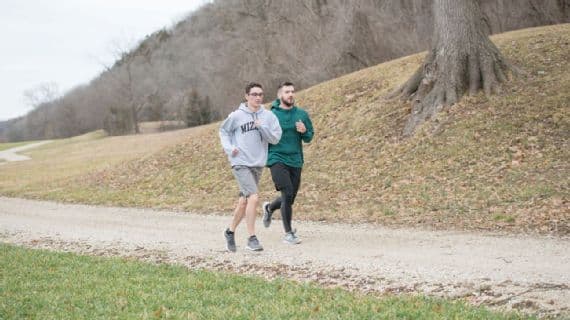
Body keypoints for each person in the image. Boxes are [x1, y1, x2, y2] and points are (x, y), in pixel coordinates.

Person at [219, 82, 282, 252]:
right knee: (253, 197)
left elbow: (275, 138)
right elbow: (223, 132)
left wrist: (262, 127)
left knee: (244, 202)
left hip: (258, 163)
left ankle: (229, 232)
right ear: (246, 96)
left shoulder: (268, 116)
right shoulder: (237, 116)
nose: (258, 97)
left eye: (260, 94)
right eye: (254, 94)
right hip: (240, 162)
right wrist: (230, 148)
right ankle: (252, 238)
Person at [262, 81, 314, 244]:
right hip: (276, 158)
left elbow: (309, 137)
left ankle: (269, 208)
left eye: (292, 91)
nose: (290, 94)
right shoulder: (271, 115)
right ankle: (289, 234)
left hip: (296, 160)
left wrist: (304, 131)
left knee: (289, 198)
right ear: (280, 95)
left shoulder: (302, 114)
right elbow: (262, 136)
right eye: (287, 92)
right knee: (287, 192)